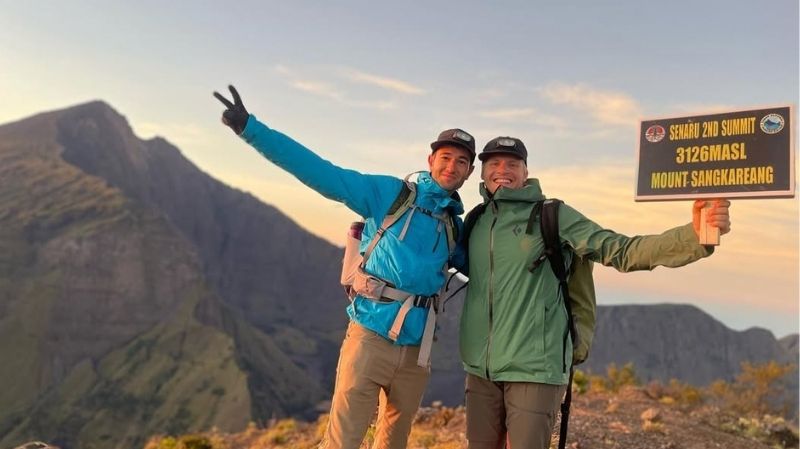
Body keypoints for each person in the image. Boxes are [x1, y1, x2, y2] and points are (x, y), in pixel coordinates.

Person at [213, 85, 475, 449]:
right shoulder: (388, 194)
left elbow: (492, 266)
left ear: (469, 172)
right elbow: (322, 173)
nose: (452, 166)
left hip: (418, 350)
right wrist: (251, 130)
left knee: (394, 441)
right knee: (343, 441)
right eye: (445, 157)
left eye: (461, 162)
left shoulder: (453, 226)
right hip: (369, 336)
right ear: (430, 160)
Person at [459, 136, 731, 449]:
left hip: (534, 368)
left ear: (525, 171)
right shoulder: (476, 221)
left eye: (512, 163)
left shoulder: (553, 215)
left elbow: (620, 250)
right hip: (480, 370)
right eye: (493, 163)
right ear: (481, 173)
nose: (502, 170)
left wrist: (694, 234)